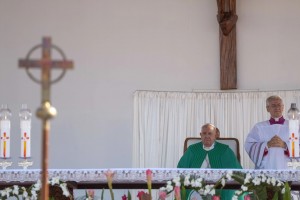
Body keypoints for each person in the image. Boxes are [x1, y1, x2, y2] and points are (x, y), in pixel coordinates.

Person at [177, 123, 242, 200]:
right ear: (200, 135)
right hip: (195, 186)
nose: (207, 136)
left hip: (219, 186)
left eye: (210, 133)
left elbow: (236, 171)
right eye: (204, 133)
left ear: (216, 135)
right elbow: (181, 169)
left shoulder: (224, 150)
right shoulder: (192, 150)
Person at [245, 95, 290, 169]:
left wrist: (285, 145)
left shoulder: (293, 126)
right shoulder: (259, 127)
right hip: (266, 169)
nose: (277, 108)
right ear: (267, 108)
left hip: (287, 168)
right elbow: (249, 145)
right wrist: (266, 145)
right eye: (273, 105)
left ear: (283, 107)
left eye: (279, 105)